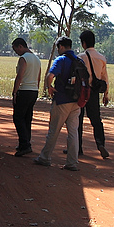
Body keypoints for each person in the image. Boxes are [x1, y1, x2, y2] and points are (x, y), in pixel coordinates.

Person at [35, 37, 82, 171]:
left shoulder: (61, 60)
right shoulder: (79, 60)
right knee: (73, 132)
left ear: (60, 47)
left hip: (62, 100)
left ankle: (44, 158)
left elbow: (50, 76)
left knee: (54, 130)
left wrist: (49, 86)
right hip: (76, 101)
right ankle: (72, 162)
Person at [76, 30, 110, 159]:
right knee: (96, 120)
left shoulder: (80, 57)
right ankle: (100, 143)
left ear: (83, 43)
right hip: (94, 92)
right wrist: (105, 94)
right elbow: (105, 78)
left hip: (81, 91)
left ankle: (77, 147)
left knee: (77, 119)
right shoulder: (101, 58)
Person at [11, 38, 41, 156]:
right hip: (33, 91)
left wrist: (14, 92)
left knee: (18, 117)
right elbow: (38, 77)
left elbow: (20, 77)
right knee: (27, 117)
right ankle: (25, 142)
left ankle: (25, 144)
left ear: (20, 46)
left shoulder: (24, 59)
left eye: (15, 49)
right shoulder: (36, 59)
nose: (16, 52)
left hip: (24, 91)